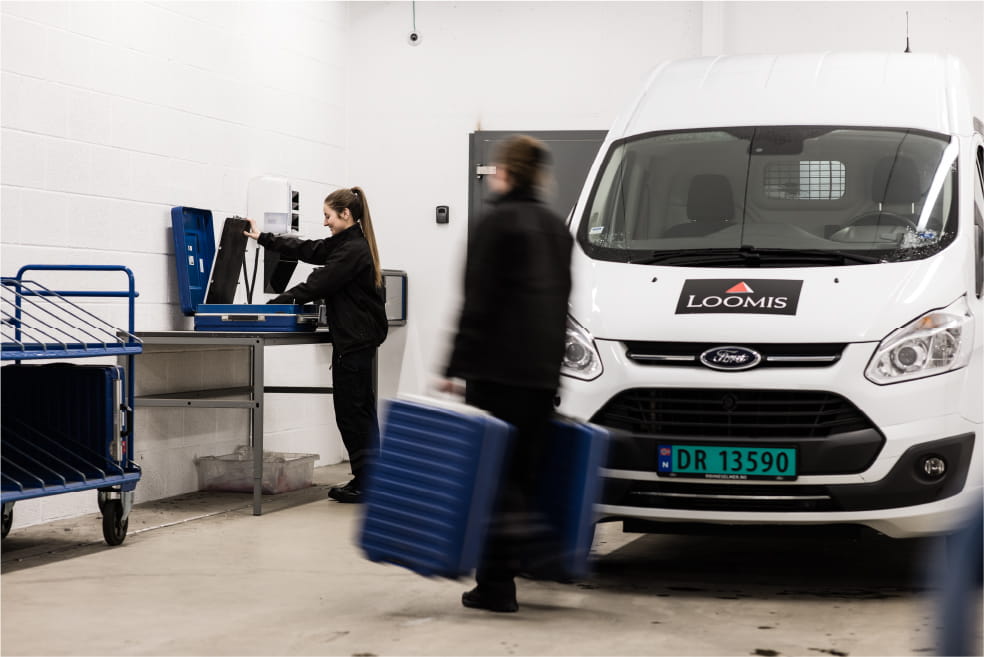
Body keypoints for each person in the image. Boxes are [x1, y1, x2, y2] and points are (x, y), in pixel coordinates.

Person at [438, 135, 574, 613]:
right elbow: (562, 305)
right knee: (524, 474)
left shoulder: (495, 222)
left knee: (494, 477)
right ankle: (531, 559)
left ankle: (496, 586)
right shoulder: (556, 228)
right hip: (541, 374)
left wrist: (454, 366)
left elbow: (478, 301)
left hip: (496, 371)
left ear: (504, 172)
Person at [244, 187, 388, 504]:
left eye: (327, 216)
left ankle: (366, 483)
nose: (325, 222)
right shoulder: (347, 244)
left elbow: (318, 283)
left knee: (352, 414)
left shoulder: (352, 250)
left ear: (345, 214)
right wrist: (264, 238)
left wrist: (274, 306)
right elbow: (309, 248)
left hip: (354, 342)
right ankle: (371, 480)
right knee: (359, 412)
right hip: (357, 341)